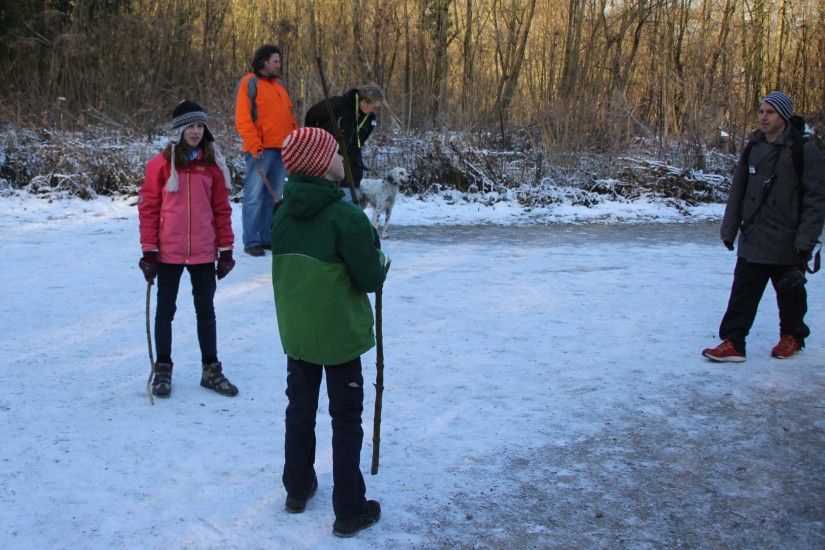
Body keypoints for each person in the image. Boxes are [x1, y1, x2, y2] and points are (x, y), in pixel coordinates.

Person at [271, 127, 386, 537]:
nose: (342, 160)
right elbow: (370, 277)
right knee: (346, 418)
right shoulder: (347, 218)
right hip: (339, 337)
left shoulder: (282, 212)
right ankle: (350, 510)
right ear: (321, 165)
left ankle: (297, 488)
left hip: (298, 334)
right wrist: (374, 248)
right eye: (336, 154)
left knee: (299, 410)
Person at [703, 91, 825, 363]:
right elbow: (738, 190)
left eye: (770, 112)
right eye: (761, 111)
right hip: (753, 235)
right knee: (742, 293)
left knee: (790, 294)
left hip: (788, 239)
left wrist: (805, 241)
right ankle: (734, 342)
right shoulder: (753, 147)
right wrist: (729, 229)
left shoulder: (804, 151)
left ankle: (792, 336)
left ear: (784, 116)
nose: (763, 117)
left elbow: (816, 201)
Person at [138, 100, 239, 398]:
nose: (195, 132)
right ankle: (163, 368)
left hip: (204, 252)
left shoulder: (212, 165)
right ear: (178, 130)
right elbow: (148, 208)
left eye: (200, 126)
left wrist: (226, 250)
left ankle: (211, 369)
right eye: (190, 126)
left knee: (205, 310)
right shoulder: (161, 165)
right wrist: (149, 251)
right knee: (165, 311)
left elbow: (221, 209)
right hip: (168, 252)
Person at [235, 44, 298, 256]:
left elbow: (289, 118)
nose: (279, 65)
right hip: (260, 150)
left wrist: (294, 141)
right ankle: (252, 240)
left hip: (282, 149)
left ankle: (267, 237)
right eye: (275, 61)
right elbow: (243, 118)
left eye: (279, 61)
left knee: (274, 196)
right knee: (254, 196)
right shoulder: (249, 82)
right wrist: (254, 145)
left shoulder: (280, 86)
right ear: (264, 62)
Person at [304, 83, 385, 202]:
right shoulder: (338, 104)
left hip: (351, 166)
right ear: (364, 102)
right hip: (327, 161)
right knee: (324, 201)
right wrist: (315, 143)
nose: (374, 111)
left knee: (350, 204)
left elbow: (359, 142)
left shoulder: (370, 119)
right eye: (374, 107)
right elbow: (311, 116)